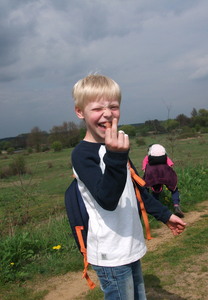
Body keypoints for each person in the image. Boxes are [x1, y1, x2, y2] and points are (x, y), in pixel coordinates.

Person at [71, 74, 186, 299]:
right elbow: (107, 199)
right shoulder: (82, 155)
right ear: (80, 112)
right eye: (97, 108)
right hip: (110, 253)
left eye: (113, 106)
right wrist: (115, 156)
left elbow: (137, 189)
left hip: (129, 245)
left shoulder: (115, 146)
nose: (107, 113)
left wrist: (164, 215)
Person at [142, 144, 185, 218]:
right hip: (165, 172)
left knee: (156, 191)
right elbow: (170, 165)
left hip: (153, 174)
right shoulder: (165, 157)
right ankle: (176, 206)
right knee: (174, 189)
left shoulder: (147, 158)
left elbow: (144, 169)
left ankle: (156, 209)